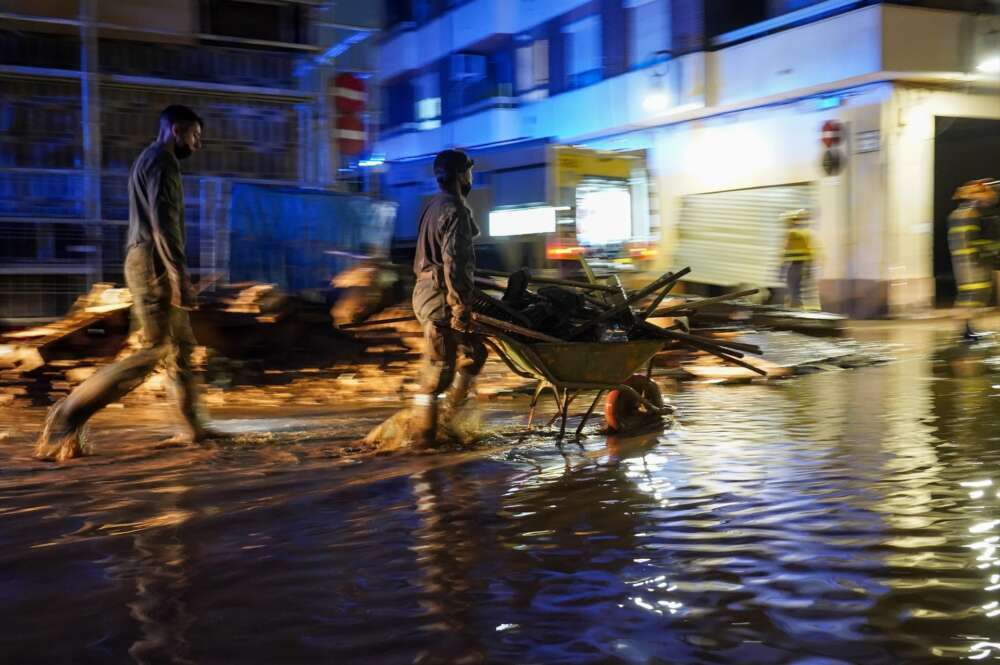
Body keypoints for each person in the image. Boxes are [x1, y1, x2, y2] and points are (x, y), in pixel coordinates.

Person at [36, 105, 222, 461]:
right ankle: (66, 417)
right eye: (195, 135)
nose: (197, 144)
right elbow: (163, 225)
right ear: (176, 129)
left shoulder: (149, 160)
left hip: (150, 260)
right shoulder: (162, 162)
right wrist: (178, 276)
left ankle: (192, 427)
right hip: (153, 262)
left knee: (180, 347)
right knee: (153, 350)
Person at [410, 149, 487, 447]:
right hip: (440, 297)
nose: (470, 177)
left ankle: (450, 422)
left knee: (474, 353)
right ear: (461, 175)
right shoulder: (454, 209)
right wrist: (460, 307)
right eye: (468, 171)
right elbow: (455, 261)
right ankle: (424, 441)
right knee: (440, 368)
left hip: (427, 292)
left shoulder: (433, 206)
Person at [780, 208, 818, 310]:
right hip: (801, 263)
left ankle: (797, 308)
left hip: (798, 264)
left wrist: (782, 264)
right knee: (798, 287)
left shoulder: (794, 233)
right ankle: (798, 307)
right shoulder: (803, 232)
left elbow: (786, 249)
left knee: (794, 287)